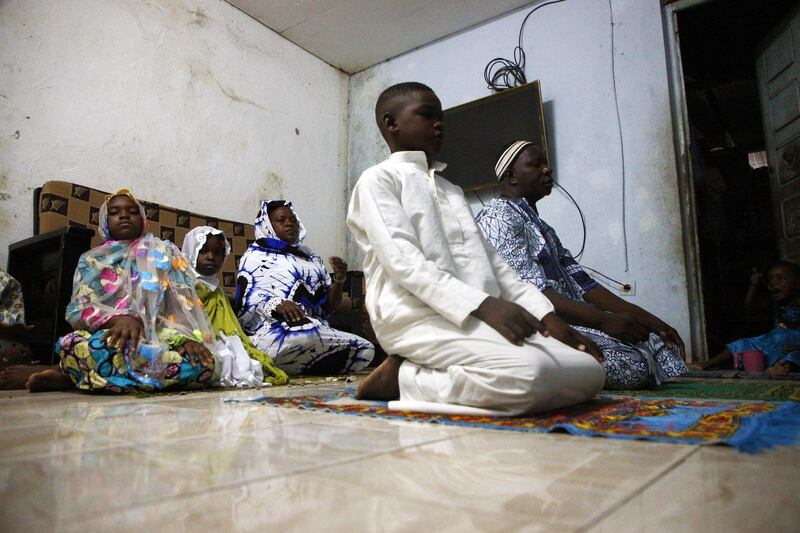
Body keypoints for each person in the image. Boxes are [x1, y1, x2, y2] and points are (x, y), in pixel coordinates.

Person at [346, 82, 605, 416]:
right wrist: (482, 304)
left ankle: (418, 372)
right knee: (528, 375)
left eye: (440, 117)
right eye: (426, 115)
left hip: (477, 314)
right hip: (415, 316)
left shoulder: (451, 189)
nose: (438, 124)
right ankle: (406, 378)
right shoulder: (378, 180)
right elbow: (404, 263)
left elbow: (497, 267)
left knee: (592, 370)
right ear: (391, 123)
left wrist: (545, 315)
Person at [476, 141, 688, 389]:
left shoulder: (543, 228)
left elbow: (585, 285)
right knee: (634, 363)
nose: (548, 170)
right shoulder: (498, 218)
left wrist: (653, 322)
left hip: (576, 321)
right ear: (511, 176)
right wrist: (603, 321)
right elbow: (531, 294)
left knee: (658, 343)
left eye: (547, 164)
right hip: (543, 326)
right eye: (536, 164)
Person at [50, 190, 218, 392]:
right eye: (114, 212)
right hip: (111, 340)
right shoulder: (91, 260)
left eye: (132, 211)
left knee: (206, 364)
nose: (124, 215)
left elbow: (182, 306)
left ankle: (77, 376)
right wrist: (119, 319)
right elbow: (78, 310)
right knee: (80, 345)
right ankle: (100, 375)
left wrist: (187, 339)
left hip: (158, 340)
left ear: (144, 220)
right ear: (105, 221)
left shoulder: (164, 254)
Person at [236, 200, 374, 375]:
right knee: (302, 335)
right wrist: (276, 303)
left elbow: (329, 306)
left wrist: (339, 281)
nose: (289, 223)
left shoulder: (311, 257)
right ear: (268, 225)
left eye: (293, 220)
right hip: (271, 330)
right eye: (281, 220)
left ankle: (286, 363)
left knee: (364, 349)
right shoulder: (255, 256)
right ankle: (283, 358)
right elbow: (246, 302)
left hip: (314, 328)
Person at [182, 225, 289, 386]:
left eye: (218, 253)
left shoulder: (217, 291)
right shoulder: (182, 287)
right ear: (190, 252)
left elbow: (229, 326)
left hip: (221, 338)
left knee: (242, 361)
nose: (211, 257)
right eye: (204, 251)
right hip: (193, 340)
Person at [691, 261, 800, 375]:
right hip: (773, 345)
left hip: (794, 347)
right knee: (742, 343)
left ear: (798, 283)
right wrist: (754, 284)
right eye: (771, 279)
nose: (773, 282)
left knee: (794, 355)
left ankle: (782, 367)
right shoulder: (777, 304)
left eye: (780, 278)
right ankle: (704, 365)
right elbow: (749, 307)